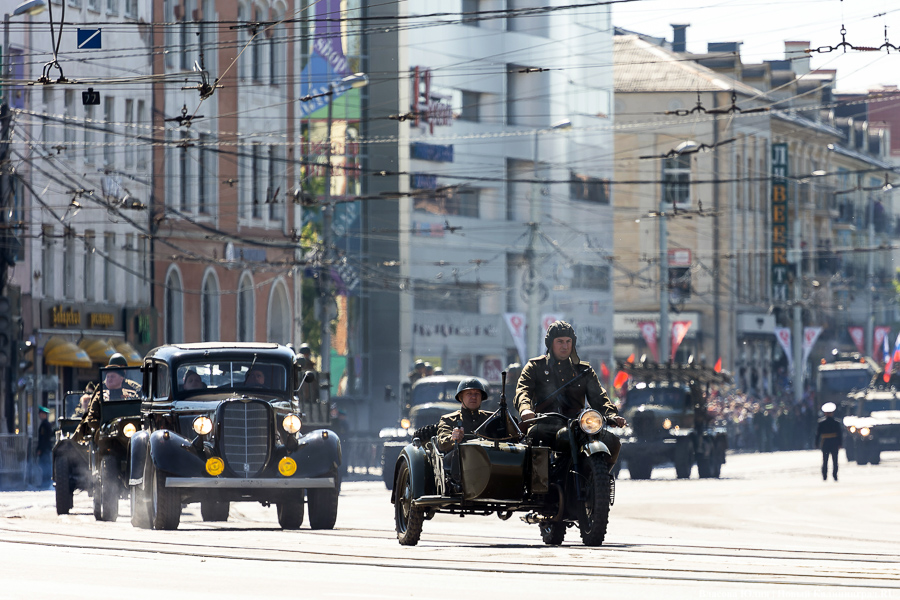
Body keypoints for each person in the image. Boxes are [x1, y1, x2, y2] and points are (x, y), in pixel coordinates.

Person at [515, 320, 626, 469]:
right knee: (535, 434)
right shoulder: (535, 367)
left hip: (580, 425)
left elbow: (599, 398)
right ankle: (539, 483)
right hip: (546, 422)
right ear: (550, 343)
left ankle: (597, 481)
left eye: (568, 341)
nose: (565, 346)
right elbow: (523, 391)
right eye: (560, 341)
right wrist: (525, 410)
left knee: (612, 442)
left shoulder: (583, 370)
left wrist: (611, 415)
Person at [73, 354, 137, 443]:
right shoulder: (100, 393)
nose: (110, 379)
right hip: (105, 434)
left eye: (113, 376)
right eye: (108, 376)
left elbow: (138, 412)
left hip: (128, 430)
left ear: (121, 378)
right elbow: (92, 417)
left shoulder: (132, 392)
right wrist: (104, 427)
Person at [437, 378, 492, 453]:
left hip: (489, 460)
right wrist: (453, 438)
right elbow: (442, 444)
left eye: (477, 394)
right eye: (469, 393)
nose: (473, 397)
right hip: (460, 461)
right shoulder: (448, 419)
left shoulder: (491, 418)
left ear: (481, 397)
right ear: (460, 398)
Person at [815, 402, 842, 481]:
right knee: (832, 460)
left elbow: (818, 434)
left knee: (827, 460)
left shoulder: (821, 423)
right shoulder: (836, 422)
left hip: (826, 442)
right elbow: (839, 434)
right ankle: (833, 475)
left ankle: (826, 475)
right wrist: (840, 443)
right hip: (833, 442)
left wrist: (816, 443)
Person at [36, 406, 53, 487]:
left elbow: (43, 439)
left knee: (45, 466)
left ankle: (45, 483)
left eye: (41, 414)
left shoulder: (44, 425)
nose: (40, 416)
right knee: (45, 466)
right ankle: (45, 483)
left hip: (44, 449)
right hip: (46, 448)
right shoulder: (46, 424)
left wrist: (40, 449)